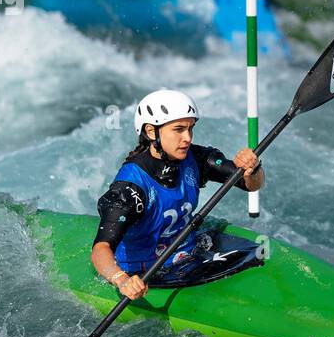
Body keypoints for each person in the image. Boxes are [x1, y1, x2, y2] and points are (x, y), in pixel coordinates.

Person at [91, 89, 265, 300]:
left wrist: (252, 168)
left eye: (190, 129)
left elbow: (251, 185)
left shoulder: (196, 158)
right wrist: (122, 279)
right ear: (152, 131)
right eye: (179, 129)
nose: (187, 138)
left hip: (189, 255)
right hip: (147, 272)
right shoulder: (130, 189)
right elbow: (101, 248)